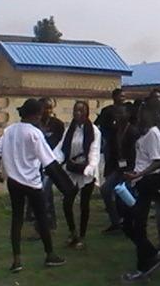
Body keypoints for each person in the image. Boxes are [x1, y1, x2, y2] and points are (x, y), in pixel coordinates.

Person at [0, 99, 68, 272]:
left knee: (17, 220)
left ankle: (17, 260)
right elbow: (49, 162)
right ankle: (50, 255)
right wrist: (66, 188)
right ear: (36, 115)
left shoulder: (9, 130)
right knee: (42, 218)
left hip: (14, 183)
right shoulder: (35, 133)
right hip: (32, 182)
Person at [118, 102, 160, 282]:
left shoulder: (153, 133)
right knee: (128, 223)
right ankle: (152, 253)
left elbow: (158, 161)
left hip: (148, 181)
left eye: (142, 113)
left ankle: (143, 267)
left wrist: (140, 173)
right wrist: (134, 173)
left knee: (138, 224)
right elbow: (143, 159)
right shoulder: (143, 133)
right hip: (139, 180)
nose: (139, 116)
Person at [54, 100, 101, 250]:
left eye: (80, 111)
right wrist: (55, 161)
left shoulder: (93, 130)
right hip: (72, 169)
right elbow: (62, 148)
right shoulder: (70, 129)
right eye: (75, 110)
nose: (77, 113)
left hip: (86, 170)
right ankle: (72, 232)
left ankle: (82, 235)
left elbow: (94, 150)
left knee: (84, 204)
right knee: (67, 202)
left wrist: (91, 167)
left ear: (86, 113)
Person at [28, 97, 65, 232]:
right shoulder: (33, 125)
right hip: (34, 163)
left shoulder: (58, 125)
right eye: (45, 108)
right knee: (36, 192)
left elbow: (59, 145)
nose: (48, 111)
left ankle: (49, 223)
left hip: (51, 163)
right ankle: (39, 221)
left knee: (46, 191)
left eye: (50, 108)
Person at [100, 103, 137, 233]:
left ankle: (132, 222)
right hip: (118, 168)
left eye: (121, 113)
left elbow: (135, 154)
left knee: (124, 195)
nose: (119, 116)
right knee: (105, 189)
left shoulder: (132, 132)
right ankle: (116, 221)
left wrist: (131, 170)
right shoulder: (115, 130)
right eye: (117, 114)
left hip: (131, 169)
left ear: (128, 115)